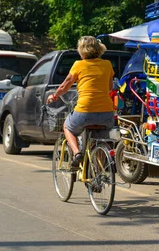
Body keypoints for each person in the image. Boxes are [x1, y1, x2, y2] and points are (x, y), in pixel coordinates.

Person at [47, 36, 115, 169]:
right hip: (107, 113)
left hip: (85, 110)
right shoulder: (107, 64)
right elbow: (109, 88)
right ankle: (99, 175)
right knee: (100, 140)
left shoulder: (78, 65)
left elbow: (65, 85)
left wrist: (54, 96)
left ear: (82, 50)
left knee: (67, 127)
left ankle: (77, 153)